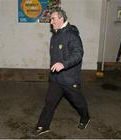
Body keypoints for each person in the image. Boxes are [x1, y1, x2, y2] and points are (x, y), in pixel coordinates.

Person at [35, 8, 90, 136]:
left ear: (61, 18)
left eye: (53, 18)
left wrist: (64, 64)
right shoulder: (55, 35)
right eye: (50, 19)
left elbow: (78, 54)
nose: (51, 22)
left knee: (78, 102)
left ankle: (85, 117)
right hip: (56, 79)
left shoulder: (72, 35)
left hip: (69, 79)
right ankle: (43, 126)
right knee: (49, 102)